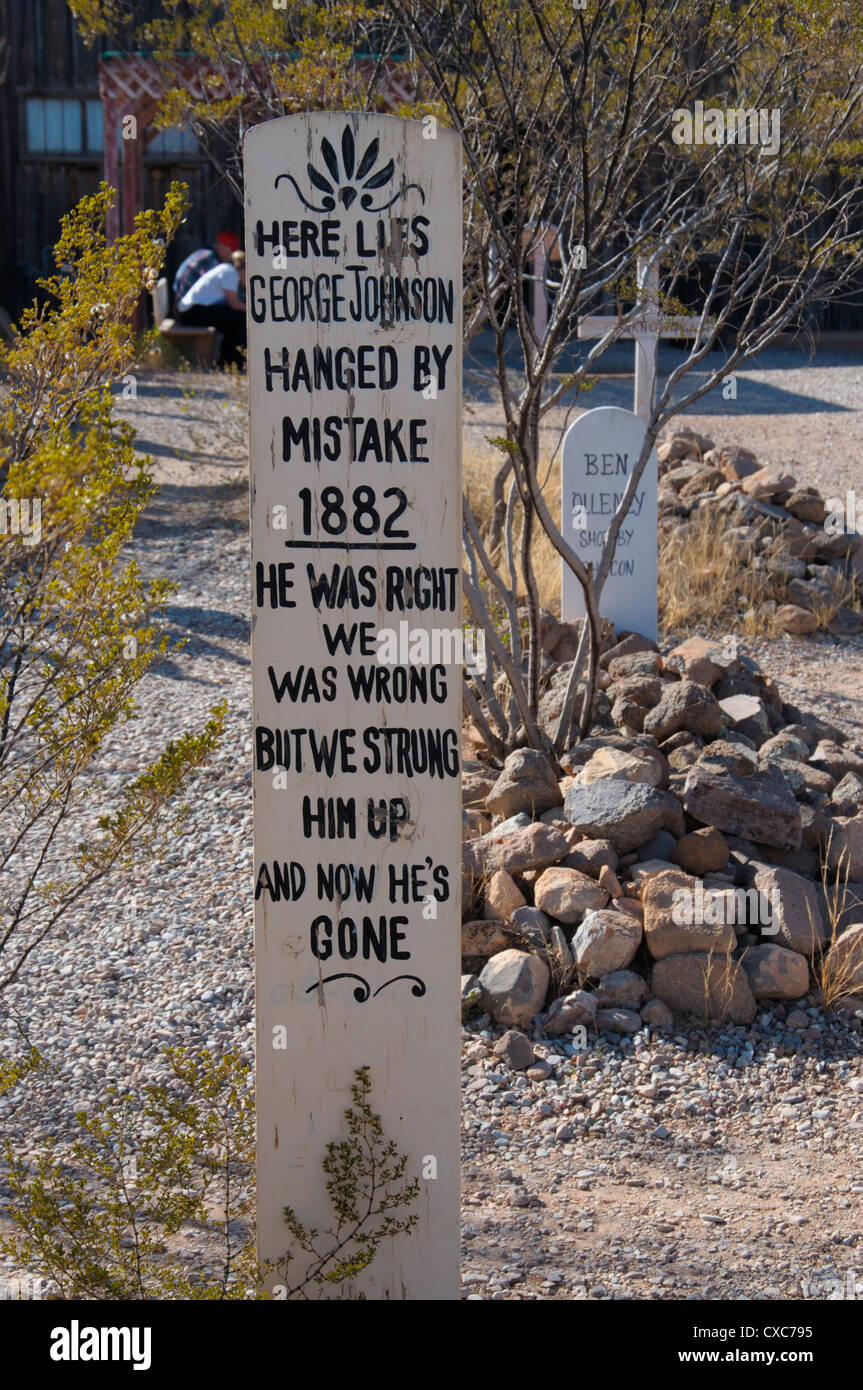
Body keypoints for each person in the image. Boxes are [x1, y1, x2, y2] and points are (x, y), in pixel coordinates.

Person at [177, 250, 247, 369]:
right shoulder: (230, 273)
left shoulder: (225, 269)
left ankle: (227, 360)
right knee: (239, 319)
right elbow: (235, 304)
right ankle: (233, 361)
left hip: (192, 311)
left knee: (232, 319)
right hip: (192, 312)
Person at [172, 231, 240, 312]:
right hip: (188, 308)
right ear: (222, 246)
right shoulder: (210, 259)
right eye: (230, 251)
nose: (230, 257)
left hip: (183, 303)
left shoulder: (204, 253)